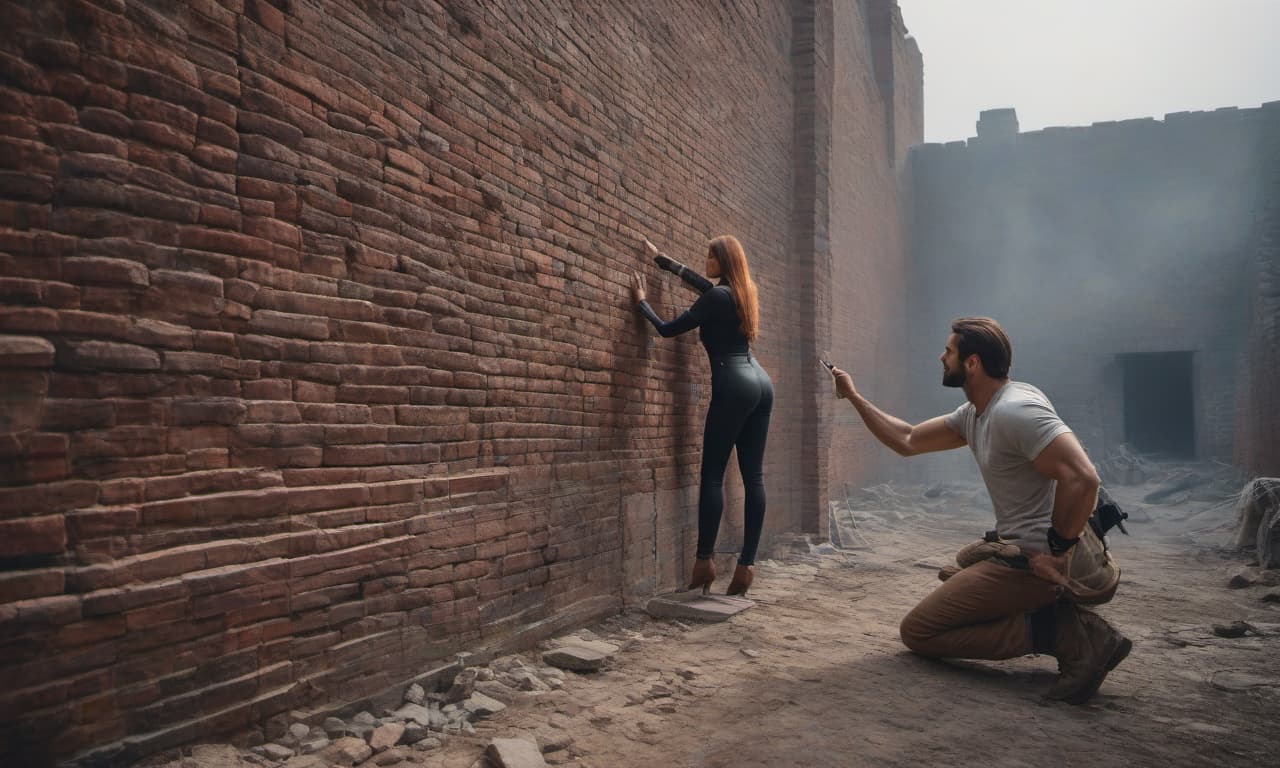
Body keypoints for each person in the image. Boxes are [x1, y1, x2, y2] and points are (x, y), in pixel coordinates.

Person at [828, 317, 1130, 704]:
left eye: (949, 351)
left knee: (919, 632)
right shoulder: (976, 414)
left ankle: (1067, 634)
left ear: (972, 363)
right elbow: (906, 439)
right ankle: (1046, 615)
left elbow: (1083, 478)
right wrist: (853, 396)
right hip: (1020, 546)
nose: (942, 357)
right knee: (960, 565)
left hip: (1036, 558)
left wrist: (1057, 554)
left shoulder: (1015, 410)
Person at [631, 235, 774, 596]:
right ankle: (746, 567)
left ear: (723, 261)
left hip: (733, 384)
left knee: (712, 476)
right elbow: (701, 284)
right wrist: (663, 259)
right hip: (760, 381)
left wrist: (643, 303)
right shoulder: (744, 292)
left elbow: (667, 330)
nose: (706, 261)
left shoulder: (718, 297)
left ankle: (704, 563)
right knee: (753, 476)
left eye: (711, 256)